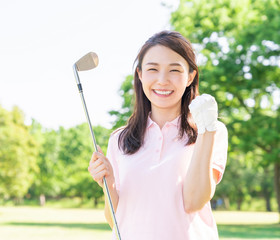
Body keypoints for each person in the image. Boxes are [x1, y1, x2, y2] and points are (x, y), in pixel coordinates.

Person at [88, 30, 228, 240]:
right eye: (153, 69)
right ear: (140, 74)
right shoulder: (119, 139)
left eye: (174, 70)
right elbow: (116, 220)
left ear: (190, 76)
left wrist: (206, 130)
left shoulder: (210, 130)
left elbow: (194, 201)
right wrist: (108, 183)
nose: (162, 80)